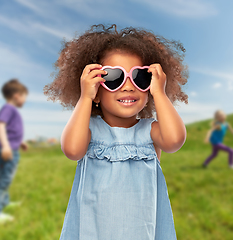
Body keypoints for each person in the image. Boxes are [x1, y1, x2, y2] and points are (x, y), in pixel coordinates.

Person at [44, 24, 188, 239]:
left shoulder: (150, 131)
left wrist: (160, 93)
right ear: (97, 91)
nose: (128, 86)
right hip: (94, 230)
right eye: (113, 78)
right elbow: (72, 150)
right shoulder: (89, 129)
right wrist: (85, 98)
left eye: (139, 77)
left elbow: (175, 141)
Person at [0, 79, 28, 224]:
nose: (24, 100)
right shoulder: (9, 109)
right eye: (24, 96)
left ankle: (4, 202)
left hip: (4, 147)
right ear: (16, 95)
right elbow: (1, 126)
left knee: (3, 178)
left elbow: (10, 131)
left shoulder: (10, 110)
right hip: (6, 150)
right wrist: (6, 146)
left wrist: (20, 142)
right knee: (5, 180)